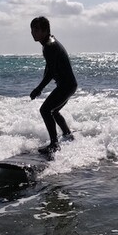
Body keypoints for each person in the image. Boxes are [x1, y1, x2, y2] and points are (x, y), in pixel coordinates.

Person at [29, 16, 77, 155]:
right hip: (69, 85)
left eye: (36, 29)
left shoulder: (49, 47)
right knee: (54, 111)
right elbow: (49, 67)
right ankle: (67, 134)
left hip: (66, 86)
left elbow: (50, 73)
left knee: (45, 110)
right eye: (32, 29)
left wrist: (39, 89)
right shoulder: (50, 42)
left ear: (45, 30)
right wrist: (40, 87)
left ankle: (54, 144)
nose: (33, 32)